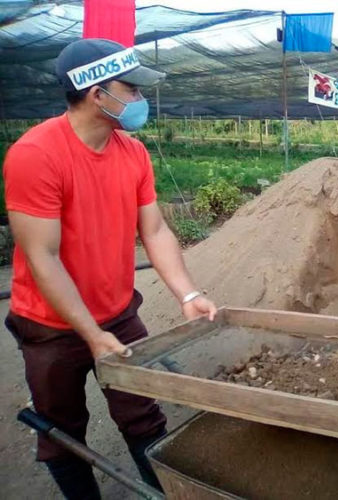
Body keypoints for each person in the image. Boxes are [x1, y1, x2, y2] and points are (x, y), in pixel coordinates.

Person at [3, 38, 217, 499]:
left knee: (143, 415)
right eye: (132, 89)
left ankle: (163, 491)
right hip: (52, 325)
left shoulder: (132, 152)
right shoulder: (36, 154)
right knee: (61, 430)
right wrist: (89, 333)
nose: (140, 99)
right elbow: (43, 256)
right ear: (97, 94)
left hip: (118, 312)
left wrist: (187, 293)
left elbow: (155, 230)